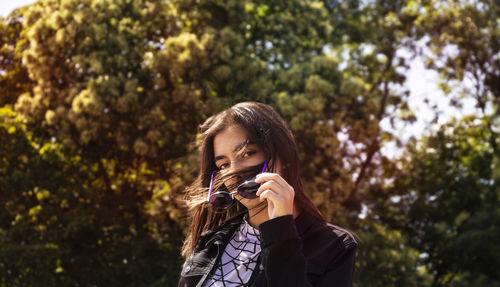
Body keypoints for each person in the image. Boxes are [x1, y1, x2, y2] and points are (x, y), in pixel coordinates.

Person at [178, 102, 357, 287]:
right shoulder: (210, 241)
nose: (234, 173)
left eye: (247, 153)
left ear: (283, 155)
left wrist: (281, 229)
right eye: (224, 165)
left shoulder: (334, 246)